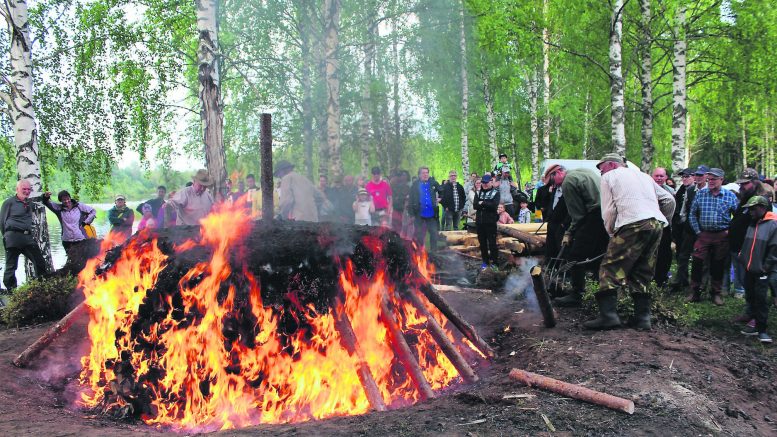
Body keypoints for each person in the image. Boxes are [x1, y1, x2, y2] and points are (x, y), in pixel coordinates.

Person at [583, 155, 675, 330]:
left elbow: (609, 210)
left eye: (601, 168)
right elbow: (669, 200)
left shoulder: (609, 177)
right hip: (655, 224)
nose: (600, 172)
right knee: (643, 269)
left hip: (631, 223)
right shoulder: (644, 176)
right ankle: (643, 319)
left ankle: (608, 317)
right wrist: (663, 221)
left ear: (611, 164)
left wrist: (612, 233)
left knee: (610, 267)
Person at [552, 164, 610, 307]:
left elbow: (577, 215)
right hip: (606, 215)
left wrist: (569, 233)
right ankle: (602, 292)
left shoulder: (568, 182)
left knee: (575, 256)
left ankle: (577, 295)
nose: (553, 184)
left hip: (593, 216)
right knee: (599, 254)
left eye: (552, 179)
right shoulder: (585, 171)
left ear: (559, 172)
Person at [687, 167, 739, 305]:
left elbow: (738, 217)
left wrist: (730, 231)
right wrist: (698, 231)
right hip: (703, 234)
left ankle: (716, 293)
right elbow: (692, 214)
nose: (710, 181)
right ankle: (695, 292)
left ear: (721, 180)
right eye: (709, 179)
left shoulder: (730, 196)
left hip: (722, 236)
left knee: (718, 264)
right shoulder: (701, 194)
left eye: (714, 179)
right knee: (697, 263)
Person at [736, 196, 776, 344]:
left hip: (761, 271)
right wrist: (742, 257)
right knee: (751, 296)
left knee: (761, 299)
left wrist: (765, 267)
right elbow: (748, 244)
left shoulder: (773, 225)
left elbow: (774, 250)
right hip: (749, 268)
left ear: (762, 208)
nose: (750, 212)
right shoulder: (753, 223)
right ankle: (753, 325)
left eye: (753, 209)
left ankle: (763, 330)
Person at [1, 179, 49, 290]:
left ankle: (43, 286)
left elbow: (40, 200)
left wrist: (45, 197)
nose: (26, 191)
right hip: (12, 237)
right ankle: (11, 291)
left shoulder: (29, 203)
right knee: (11, 266)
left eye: (28, 189)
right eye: (24, 189)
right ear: (17, 189)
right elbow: (2, 222)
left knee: (39, 261)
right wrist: (7, 237)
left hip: (27, 238)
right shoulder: (9, 203)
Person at [408, 166, 441, 252]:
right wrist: (411, 214)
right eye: (423, 173)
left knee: (434, 233)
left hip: (431, 214)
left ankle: (434, 252)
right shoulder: (415, 185)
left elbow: (442, 190)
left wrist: (440, 198)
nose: (425, 175)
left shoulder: (433, 183)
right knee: (419, 234)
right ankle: (420, 252)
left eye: (427, 173)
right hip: (419, 213)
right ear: (419, 175)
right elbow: (410, 200)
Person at [652, 167, 675, 287]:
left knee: (664, 255)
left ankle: (662, 280)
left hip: (665, 227)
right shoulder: (647, 189)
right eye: (656, 176)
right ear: (652, 177)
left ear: (666, 177)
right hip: (649, 226)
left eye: (661, 176)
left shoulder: (671, 191)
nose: (659, 178)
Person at [474, 174, 500, 270]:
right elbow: (475, 205)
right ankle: (485, 262)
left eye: (486, 182)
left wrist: (483, 203)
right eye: (483, 182)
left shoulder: (496, 193)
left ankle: (495, 263)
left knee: (492, 243)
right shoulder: (478, 193)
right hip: (480, 223)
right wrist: (485, 204)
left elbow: (494, 206)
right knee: (482, 243)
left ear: (491, 182)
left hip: (490, 222)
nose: (484, 184)